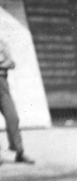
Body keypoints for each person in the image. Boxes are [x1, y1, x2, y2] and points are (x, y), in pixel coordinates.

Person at [0, 36, 34, 165]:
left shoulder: (1, 42)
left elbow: (12, 63)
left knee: (13, 118)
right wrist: (3, 64)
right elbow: (7, 63)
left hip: (2, 85)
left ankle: (19, 152)